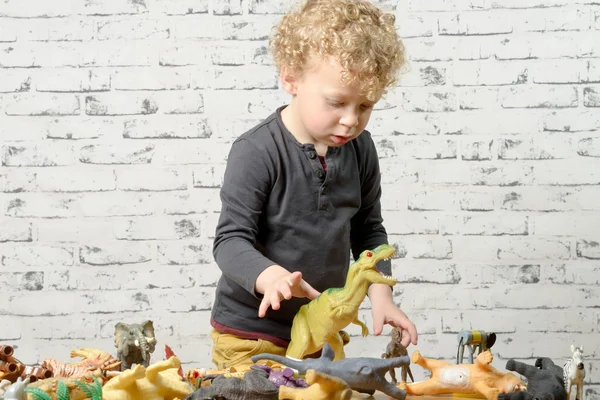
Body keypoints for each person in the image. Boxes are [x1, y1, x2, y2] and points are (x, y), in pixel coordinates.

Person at [209, 0, 418, 370]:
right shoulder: (256, 151)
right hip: (250, 335)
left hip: (322, 330)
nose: (351, 120)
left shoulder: (361, 150)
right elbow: (230, 241)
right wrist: (268, 276)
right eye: (336, 102)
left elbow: (369, 233)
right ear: (290, 78)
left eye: (366, 105)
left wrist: (381, 296)